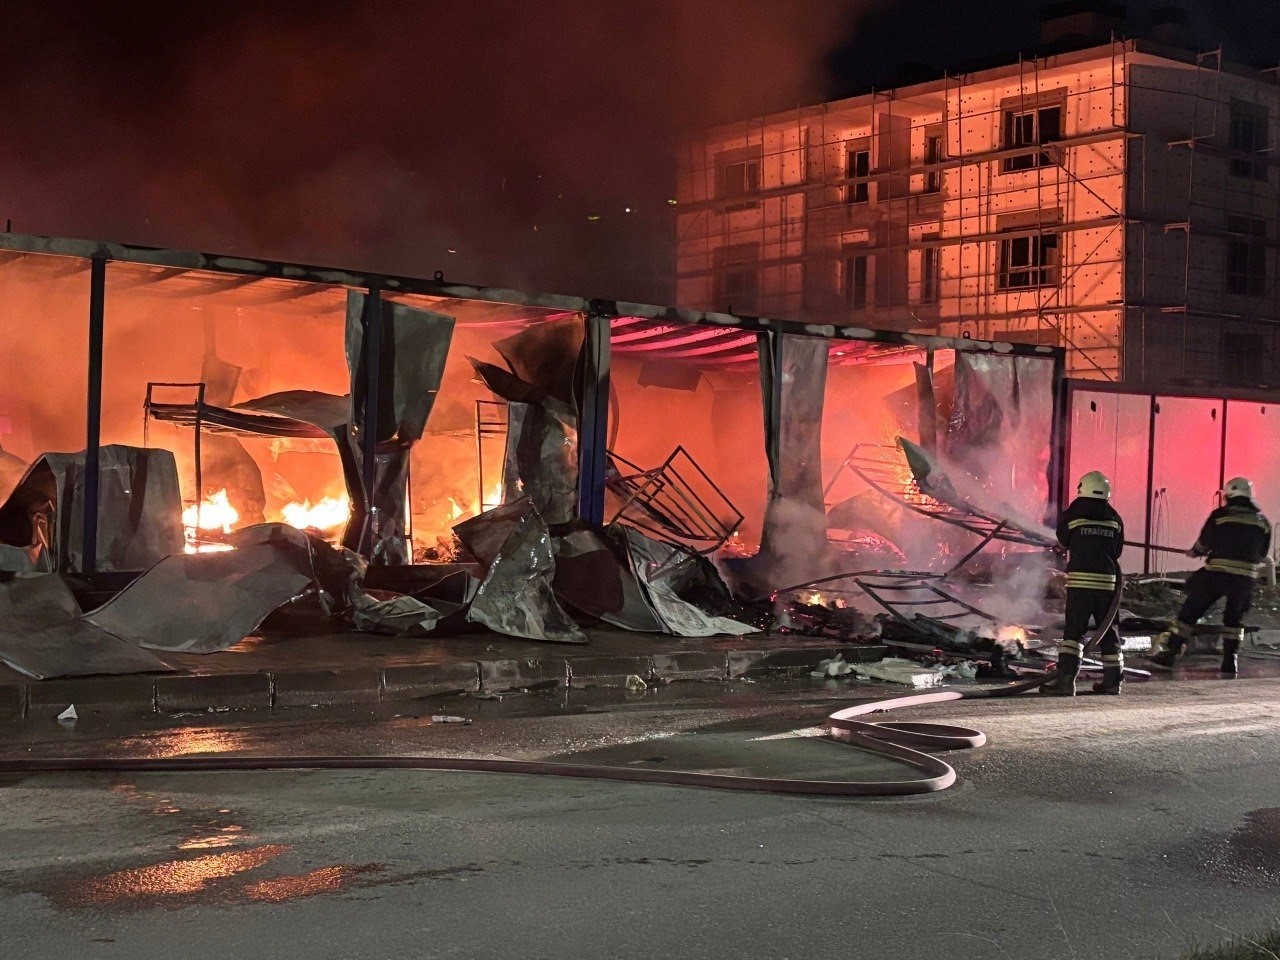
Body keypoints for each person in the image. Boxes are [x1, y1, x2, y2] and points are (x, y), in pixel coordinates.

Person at [1152, 477, 1271, 675]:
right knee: (1234, 621)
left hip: (1217, 574)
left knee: (1189, 613)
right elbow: (1262, 553)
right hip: (1244, 579)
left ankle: (1170, 652)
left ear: (1229, 494)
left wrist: (1195, 552)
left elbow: (1204, 543)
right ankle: (1230, 661)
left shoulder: (1220, 515)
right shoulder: (1263, 522)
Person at [1042, 470, 1125, 696]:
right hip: (1108, 584)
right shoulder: (1114, 517)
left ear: (1081, 488)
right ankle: (1112, 682)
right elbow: (1117, 551)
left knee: (1074, 632)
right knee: (1108, 630)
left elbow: (1063, 539)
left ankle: (1066, 681)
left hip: (1081, 583)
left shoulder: (1075, 511)